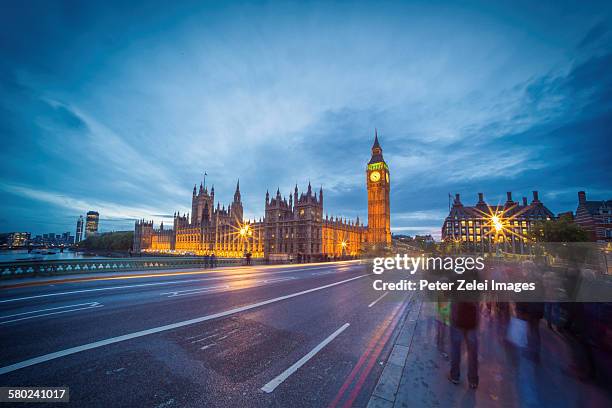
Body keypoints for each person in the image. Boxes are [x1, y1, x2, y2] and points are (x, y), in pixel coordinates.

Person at [449, 300, 479, 389]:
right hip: (472, 320)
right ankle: (473, 380)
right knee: (473, 352)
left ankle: (455, 376)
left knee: (455, 349)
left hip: (457, 319)